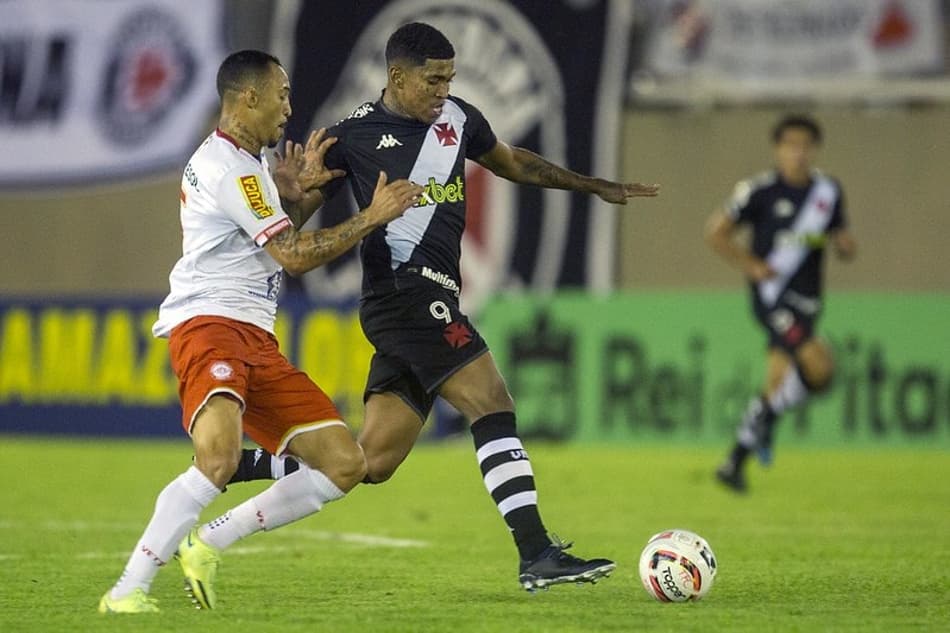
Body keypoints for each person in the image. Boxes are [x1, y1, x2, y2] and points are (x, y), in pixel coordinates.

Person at [224, 22, 659, 592]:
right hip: (402, 297)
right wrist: (289, 193)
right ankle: (536, 553)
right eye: (433, 79)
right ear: (397, 76)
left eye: (450, 78)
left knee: (369, 462)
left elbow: (513, 162)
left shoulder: (458, 118)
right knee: (490, 398)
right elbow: (293, 233)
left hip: (433, 296)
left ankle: (237, 465)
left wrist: (590, 184)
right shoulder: (348, 137)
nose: (443, 90)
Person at [98, 49, 422, 614]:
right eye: (282, 94)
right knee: (218, 460)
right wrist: (371, 215)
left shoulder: (249, 165)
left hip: (254, 336)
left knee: (345, 463)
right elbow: (293, 259)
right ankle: (127, 591)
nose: (288, 108)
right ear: (247, 97)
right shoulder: (231, 170)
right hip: (210, 326)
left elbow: (271, 243)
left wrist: (301, 198)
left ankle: (208, 542)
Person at [706, 114, 856, 493]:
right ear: (778, 149)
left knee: (777, 384)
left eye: (805, 146)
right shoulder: (760, 191)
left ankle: (735, 462)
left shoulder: (828, 192)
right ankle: (761, 429)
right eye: (791, 145)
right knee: (820, 367)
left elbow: (839, 236)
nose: (798, 153)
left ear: (814, 149)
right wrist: (751, 264)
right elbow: (716, 232)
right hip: (773, 299)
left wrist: (844, 245)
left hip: (808, 300)